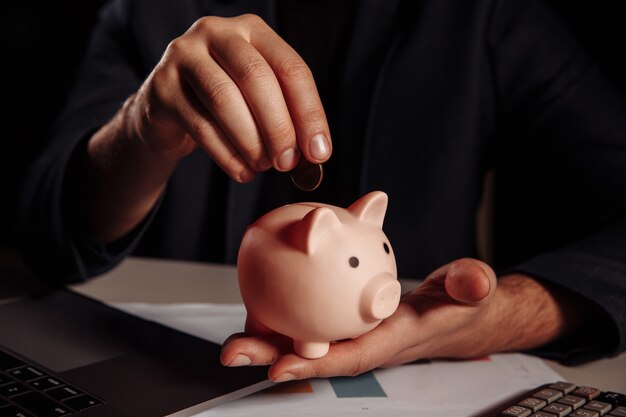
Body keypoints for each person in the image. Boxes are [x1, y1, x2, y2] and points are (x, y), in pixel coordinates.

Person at [20, 0, 626, 383]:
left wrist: (501, 316)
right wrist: (140, 130)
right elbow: (46, 233)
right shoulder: (148, 14)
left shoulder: (489, 16)